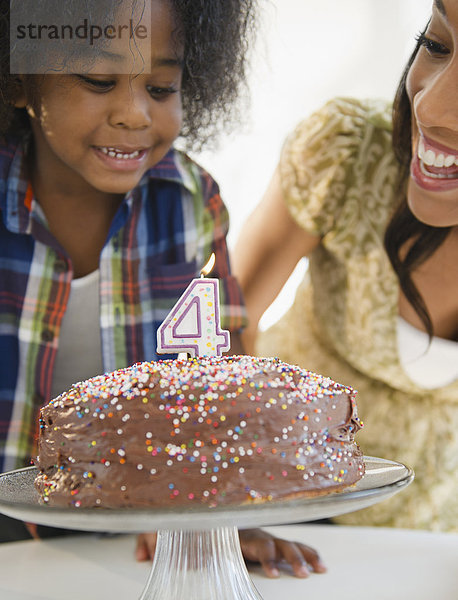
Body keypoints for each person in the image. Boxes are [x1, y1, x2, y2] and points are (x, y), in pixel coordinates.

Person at [0, 0, 326, 577]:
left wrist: (222, 511)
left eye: (161, 87)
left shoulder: (192, 201)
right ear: (21, 78)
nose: (133, 114)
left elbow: (220, 375)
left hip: (133, 536)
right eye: (99, 80)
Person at [233, 0, 458, 532]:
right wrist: (228, 497)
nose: (430, 108)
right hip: (288, 515)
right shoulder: (348, 152)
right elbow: (224, 323)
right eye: (437, 45)